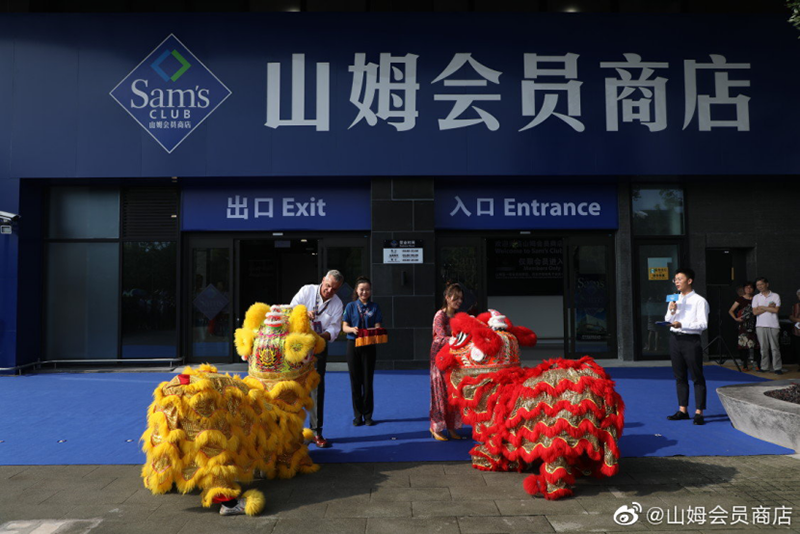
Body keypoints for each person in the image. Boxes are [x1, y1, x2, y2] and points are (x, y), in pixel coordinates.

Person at [290, 270, 344, 448]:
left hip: (319, 347)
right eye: (327, 286)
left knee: (316, 388)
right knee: (294, 387)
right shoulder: (307, 291)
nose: (329, 291)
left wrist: (323, 337)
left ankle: (316, 431)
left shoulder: (337, 304)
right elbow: (292, 308)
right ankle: (293, 431)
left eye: (334, 289)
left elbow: (335, 329)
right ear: (322, 280)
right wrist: (304, 314)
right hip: (298, 345)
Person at [665, 268, 710, 426]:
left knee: (697, 376)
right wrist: (672, 311)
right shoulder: (674, 299)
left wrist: (682, 324)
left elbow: (703, 324)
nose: (676, 282)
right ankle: (683, 410)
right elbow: (667, 319)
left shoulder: (699, 301)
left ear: (689, 281)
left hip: (691, 340)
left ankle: (699, 412)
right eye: (675, 279)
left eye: (679, 279)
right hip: (675, 339)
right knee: (679, 376)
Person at [341, 277, 383, 427]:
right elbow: (344, 327)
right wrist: (352, 329)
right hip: (353, 345)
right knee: (355, 382)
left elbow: (378, 326)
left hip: (369, 346)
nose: (364, 292)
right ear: (357, 291)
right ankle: (357, 415)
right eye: (361, 289)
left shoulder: (375, 307)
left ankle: (368, 415)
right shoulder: (351, 306)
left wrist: (375, 330)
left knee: (367, 381)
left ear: (370, 291)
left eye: (367, 289)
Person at [429, 282, 465, 441]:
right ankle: (436, 428)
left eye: (460, 299)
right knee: (440, 393)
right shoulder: (440, 315)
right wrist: (459, 339)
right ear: (447, 298)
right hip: (440, 358)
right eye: (455, 298)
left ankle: (452, 427)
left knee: (453, 393)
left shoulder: (458, 316)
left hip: (454, 358)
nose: (458, 302)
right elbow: (441, 338)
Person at [752, 277, 782, 375]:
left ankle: (777, 367)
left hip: (773, 325)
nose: (759, 286)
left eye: (761, 284)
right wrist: (769, 308)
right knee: (763, 348)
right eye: (757, 285)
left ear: (767, 284)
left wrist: (762, 307)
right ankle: (765, 367)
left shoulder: (775, 296)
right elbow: (755, 312)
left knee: (775, 348)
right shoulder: (756, 297)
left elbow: (776, 310)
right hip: (760, 325)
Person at [728, 281, 759, 371]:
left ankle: (756, 363)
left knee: (756, 345)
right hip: (744, 325)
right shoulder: (740, 299)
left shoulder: (756, 298)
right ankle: (745, 364)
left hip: (755, 323)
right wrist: (736, 319)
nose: (748, 289)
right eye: (746, 287)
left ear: (753, 289)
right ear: (744, 289)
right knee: (743, 345)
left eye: (750, 287)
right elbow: (731, 310)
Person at [789, 289, 800, 366]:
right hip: (797, 331)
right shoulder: (795, 306)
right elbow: (791, 317)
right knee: (798, 349)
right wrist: (797, 319)